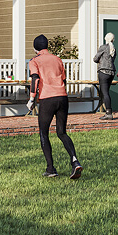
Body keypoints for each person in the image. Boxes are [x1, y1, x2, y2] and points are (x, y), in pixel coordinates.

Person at [28, 35, 83, 179]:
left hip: (47, 98)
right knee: (62, 132)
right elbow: (64, 80)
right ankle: (75, 161)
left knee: (44, 133)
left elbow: (35, 79)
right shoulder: (57, 59)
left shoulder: (34, 61)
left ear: (35, 48)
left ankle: (51, 168)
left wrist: (31, 98)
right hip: (62, 97)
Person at [93, 32, 117, 120]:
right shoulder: (113, 48)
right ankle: (108, 112)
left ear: (106, 38)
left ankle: (108, 113)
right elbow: (112, 60)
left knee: (104, 93)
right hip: (112, 72)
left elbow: (95, 59)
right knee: (106, 92)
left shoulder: (103, 47)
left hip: (103, 72)